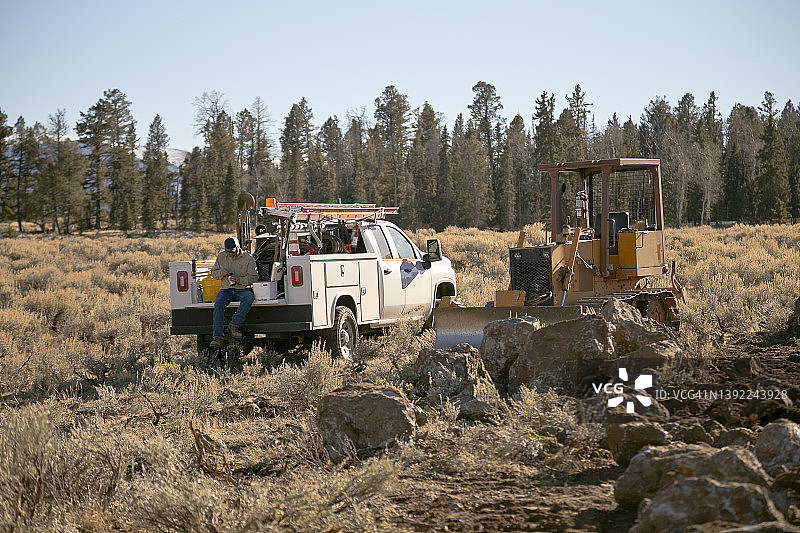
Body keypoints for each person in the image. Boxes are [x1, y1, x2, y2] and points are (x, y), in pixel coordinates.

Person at [210, 237, 258, 348]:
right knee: (218, 303)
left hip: (242, 289)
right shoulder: (221, 257)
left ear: (238, 248)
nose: (230, 254)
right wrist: (220, 273)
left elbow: (254, 278)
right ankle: (218, 338)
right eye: (228, 252)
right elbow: (213, 273)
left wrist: (239, 280)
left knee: (249, 297)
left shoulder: (248, 259)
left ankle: (234, 324)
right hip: (226, 290)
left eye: (232, 251)